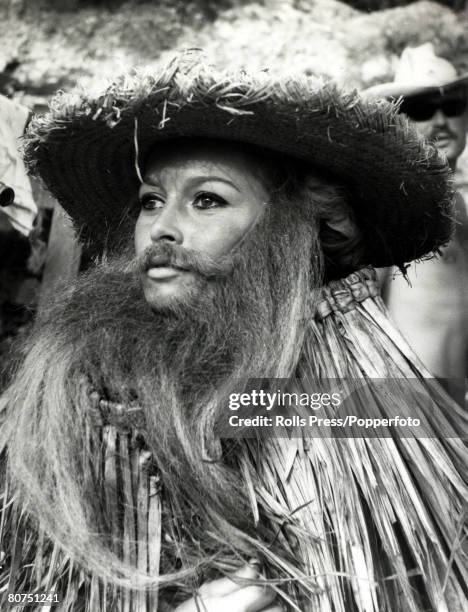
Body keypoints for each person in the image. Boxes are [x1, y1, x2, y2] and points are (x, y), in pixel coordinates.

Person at [0, 52, 467, 611]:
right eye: (151, 201)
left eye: (207, 199)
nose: (163, 229)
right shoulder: (84, 380)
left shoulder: (342, 363)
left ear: (297, 228)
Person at [365, 44, 468, 397]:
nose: (440, 122)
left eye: (452, 106)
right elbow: (357, 316)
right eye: (422, 109)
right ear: (400, 123)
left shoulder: (457, 204)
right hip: (415, 419)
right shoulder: (394, 205)